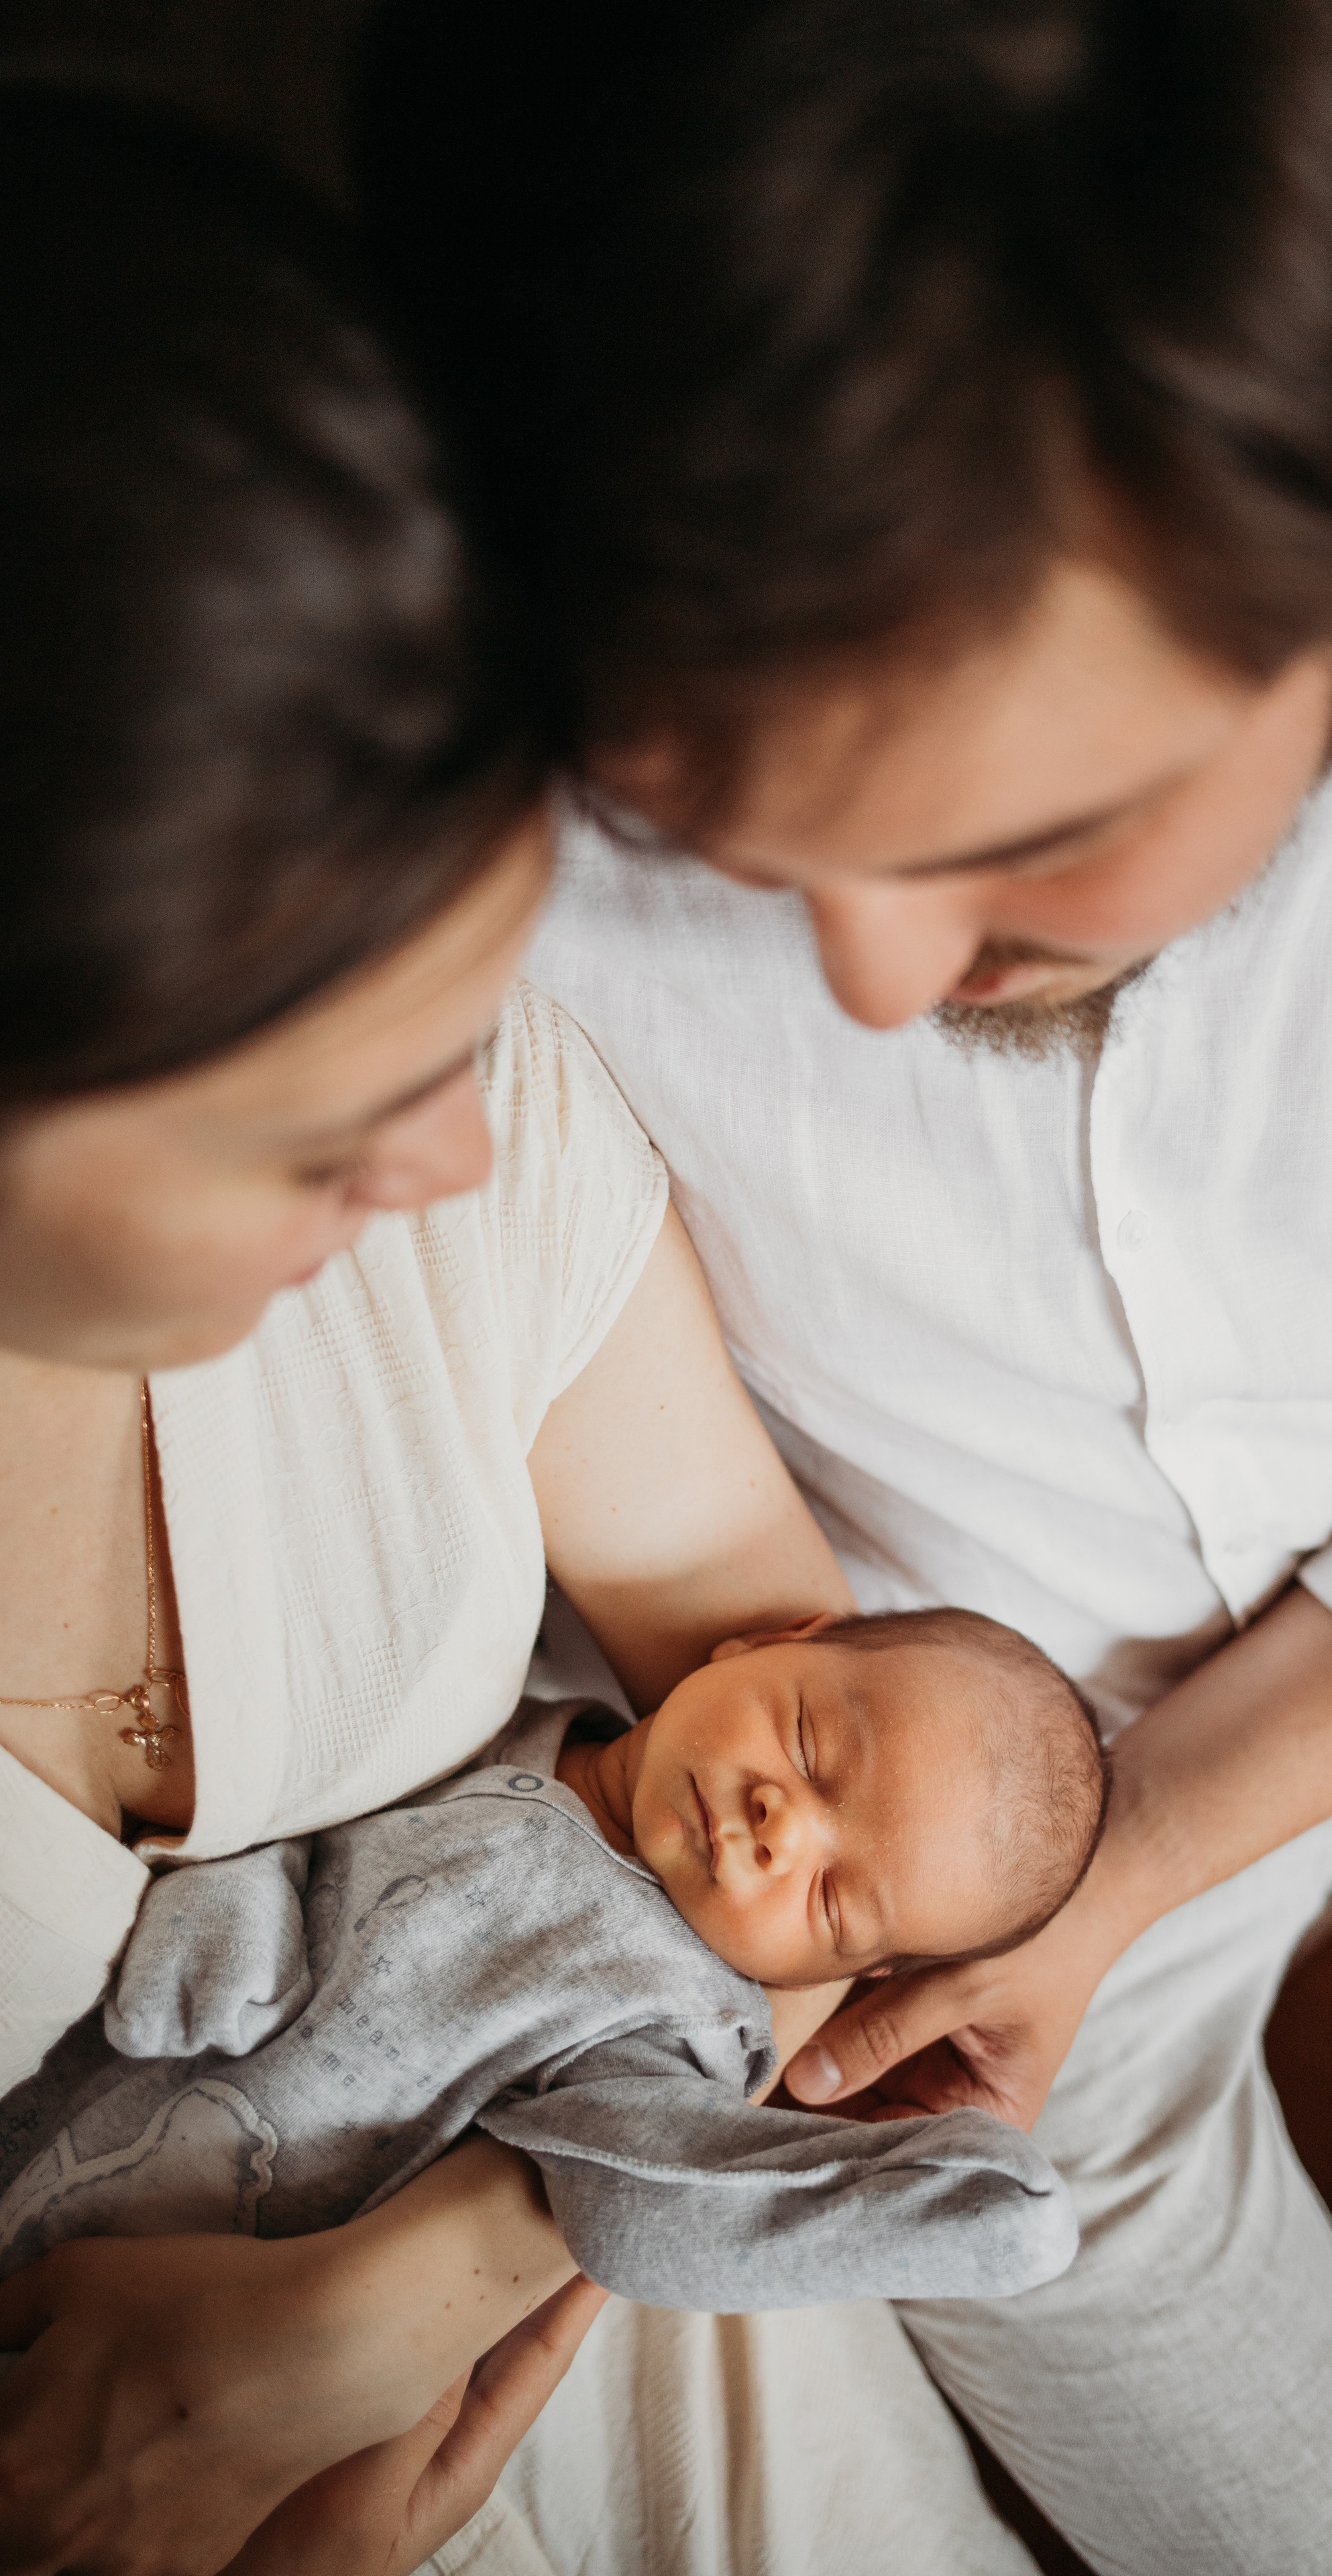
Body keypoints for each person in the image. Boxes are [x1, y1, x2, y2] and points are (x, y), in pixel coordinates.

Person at [355, 0, 1332, 2569]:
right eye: (707, 822)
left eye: (1040, 830)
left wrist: (1177, 1827)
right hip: (888, 1821)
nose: (868, 978)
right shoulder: (441, 599)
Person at [0, 84, 1040, 2576]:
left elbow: (844, 1880)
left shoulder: (486, 1144)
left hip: (557, 2289)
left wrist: (423, 2277)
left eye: (470, 1029)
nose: (457, 1171)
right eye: (333, 1112)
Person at [0, 1611, 1107, 2312]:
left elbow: (642, 2202)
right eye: (812, 1746)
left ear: (852, 1975)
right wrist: (249, 1894)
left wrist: (881, 2198)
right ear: (767, 1644)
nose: (782, 1828)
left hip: (177, 2310)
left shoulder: (676, 2025)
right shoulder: (479, 1697)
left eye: (830, 1898)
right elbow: (310, 1790)